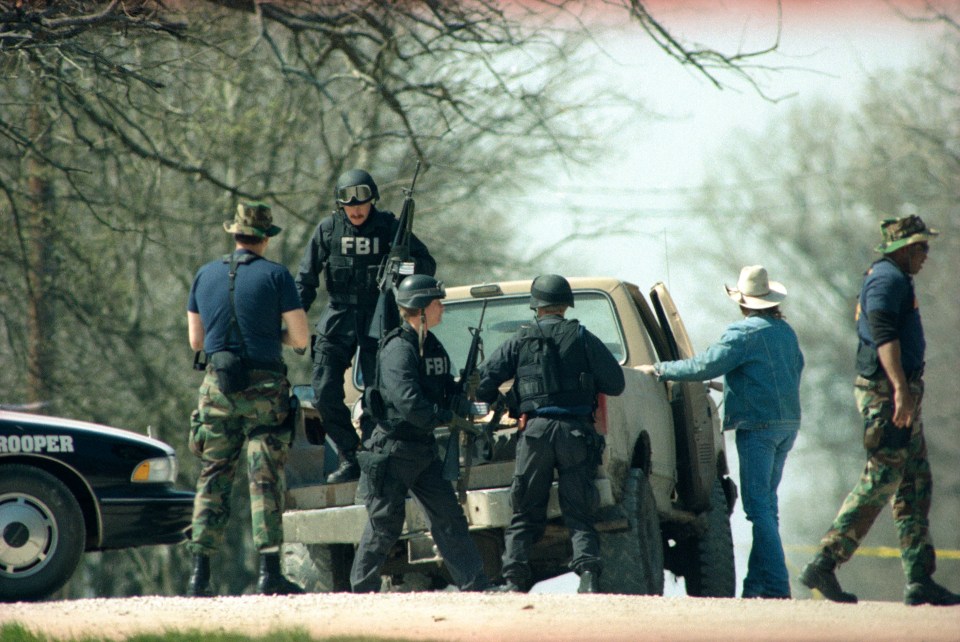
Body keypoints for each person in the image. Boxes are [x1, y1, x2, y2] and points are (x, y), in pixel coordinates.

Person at [799, 215, 959, 606]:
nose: (926, 254)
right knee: (883, 479)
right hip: (887, 394)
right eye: (921, 246)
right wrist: (900, 389)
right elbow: (884, 333)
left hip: (900, 394)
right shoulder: (886, 280)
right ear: (903, 249)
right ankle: (825, 560)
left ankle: (920, 578)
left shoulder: (897, 278)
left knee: (915, 483)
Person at [639, 265, 803, 599]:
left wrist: (659, 369)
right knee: (767, 507)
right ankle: (757, 584)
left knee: (758, 509)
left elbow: (703, 365)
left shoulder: (743, 334)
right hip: (787, 425)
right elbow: (789, 370)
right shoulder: (785, 332)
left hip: (757, 428)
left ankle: (776, 585)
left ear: (743, 302)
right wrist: (733, 387)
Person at [185, 202, 309, 596]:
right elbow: (301, 338)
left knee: (213, 476)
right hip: (264, 393)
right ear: (265, 238)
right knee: (264, 478)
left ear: (234, 234)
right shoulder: (277, 276)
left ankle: (199, 576)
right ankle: (270, 573)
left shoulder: (204, 274)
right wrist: (275, 337)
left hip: (218, 389)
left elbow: (196, 341)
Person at [475, 274, 625, 593]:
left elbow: (484, 382)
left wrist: (504, 400)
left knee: (526, 510)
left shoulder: (520, 339)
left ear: (536, 306)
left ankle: (514, 580)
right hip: (575, 433)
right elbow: (616, 383)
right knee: (578, 509)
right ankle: (587, 577)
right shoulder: (582, 336)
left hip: (535, 434)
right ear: (564, 305)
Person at [349, 274, 490, 593]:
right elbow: (409, 402)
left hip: (422, 450)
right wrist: (445, 415)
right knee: (384, 523)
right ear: (420, 309)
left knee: (448, 518)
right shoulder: (398, 349)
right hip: (393, 450)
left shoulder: (432, 345)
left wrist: (460, 397)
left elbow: (441, 388)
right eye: (437, 302)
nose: (442, 307)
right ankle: (360, 590)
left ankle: (475, 585)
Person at [296, 169, 436, 484]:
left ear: (373, 200)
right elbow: (304, 281)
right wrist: (292, 325)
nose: (357, 211)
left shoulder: (389, 227)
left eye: (363, 203)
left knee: (381, 394)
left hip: (380, 317)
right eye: (350, 205)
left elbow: (426, 264)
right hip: (338, 317)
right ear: (340, 205)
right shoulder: (328, 230)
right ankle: (350, 456)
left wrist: (401, 267)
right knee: (324, 391)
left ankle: (376, 454)